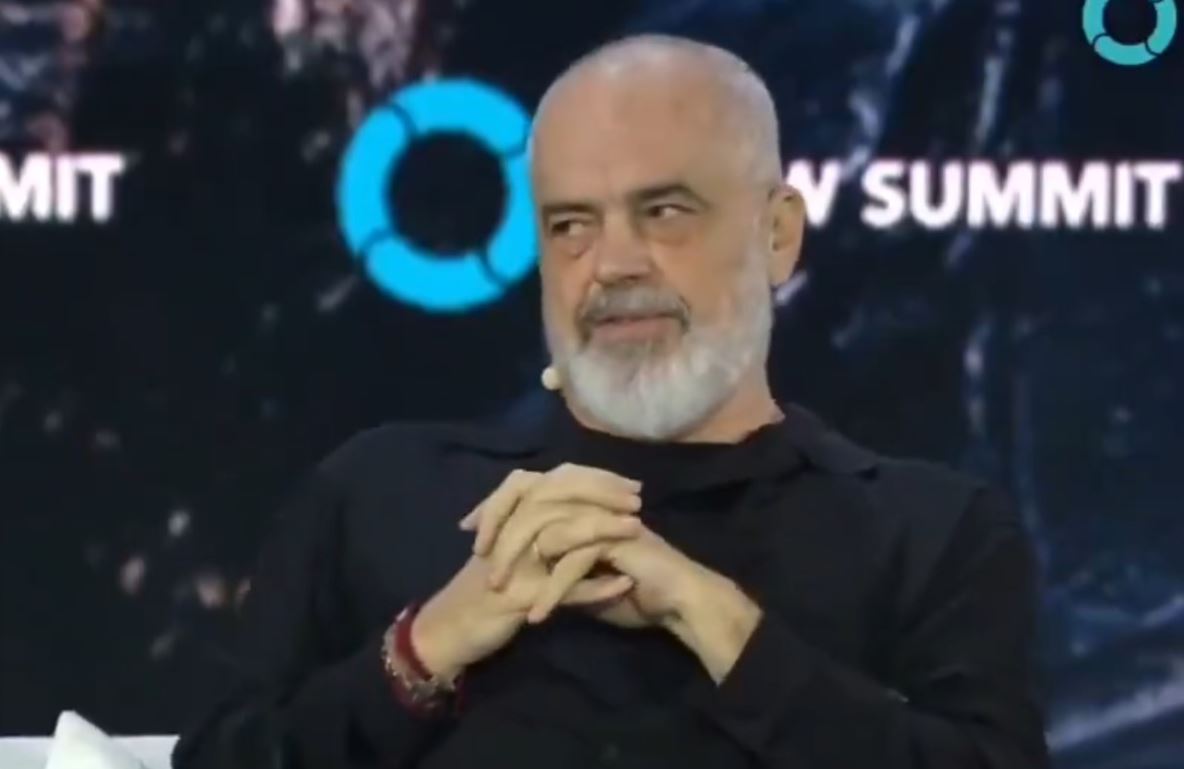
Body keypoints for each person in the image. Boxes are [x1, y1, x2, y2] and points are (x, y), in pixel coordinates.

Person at [172, 34, 1050, 769]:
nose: (613, 263)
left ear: (777, 235)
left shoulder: (931, 534)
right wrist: (428, 644)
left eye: (664, 211)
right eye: (571, 224)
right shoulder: (378, 493)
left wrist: (721, 626)